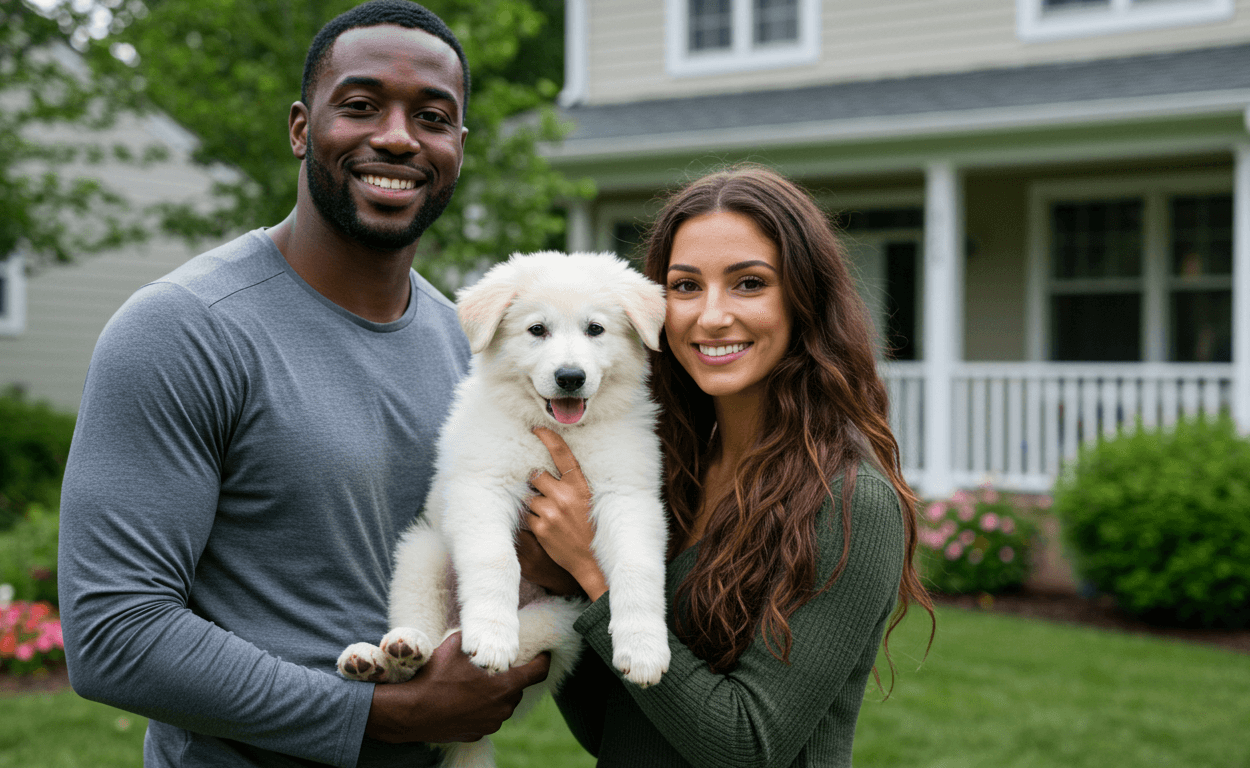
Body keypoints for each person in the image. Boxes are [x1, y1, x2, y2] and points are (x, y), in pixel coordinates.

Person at [57, 3, 548, 767]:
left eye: (432, 117)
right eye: (361, 105)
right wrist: (378, 715)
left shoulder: (472, 351)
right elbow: (115, 633)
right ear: (300, 128)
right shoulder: (184, 330)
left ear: (458, 145)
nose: (397, 136)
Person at [518, 164, 935, 767]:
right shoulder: (671, 474)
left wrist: (591, 567)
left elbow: (748, 746)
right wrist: (563, 580)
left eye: (749, 283)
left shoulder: (849, 503)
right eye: (686, 286)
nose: (711, 316)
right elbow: (616, 730)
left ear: (805, 299)